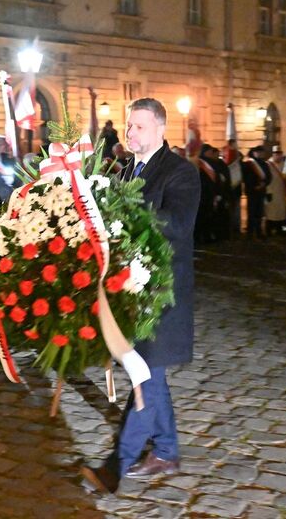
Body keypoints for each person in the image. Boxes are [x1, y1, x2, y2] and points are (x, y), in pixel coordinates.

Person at [80, 98, 199, 495]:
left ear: (161, 129)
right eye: (129, 126)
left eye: (140, 127)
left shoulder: (181, 172)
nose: (130, 133)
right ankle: (166, 451)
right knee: (151, 374)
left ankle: (118, 464)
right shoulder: (126, 170)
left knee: (146, 377)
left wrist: (124, 212)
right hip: (131, 292)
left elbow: (178, 225)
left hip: (162, 296)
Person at [242, 146, 270, 238]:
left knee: (260, 212)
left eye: (262, 152)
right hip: (252, 191)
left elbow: (269, 177)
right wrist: (254, 186)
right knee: (251, 212)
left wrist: (264, 184)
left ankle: (259, 230)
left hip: (261, 191)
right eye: (258, 152)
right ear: (254, 153)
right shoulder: (248, 164)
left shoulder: (265, 164)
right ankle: (250, 231)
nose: (260, 154)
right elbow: (245, 178)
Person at [265, 146, 286, 235]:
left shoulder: (284, 164)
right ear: (273, 155)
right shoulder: (268, 164)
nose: (278, 156)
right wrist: (267, 192)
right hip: (271, 191)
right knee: (271, 212)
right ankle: (269, 230)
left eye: (280, 154)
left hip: (282, 192)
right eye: (276, 154)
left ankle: (281, 230)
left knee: (281, 212)